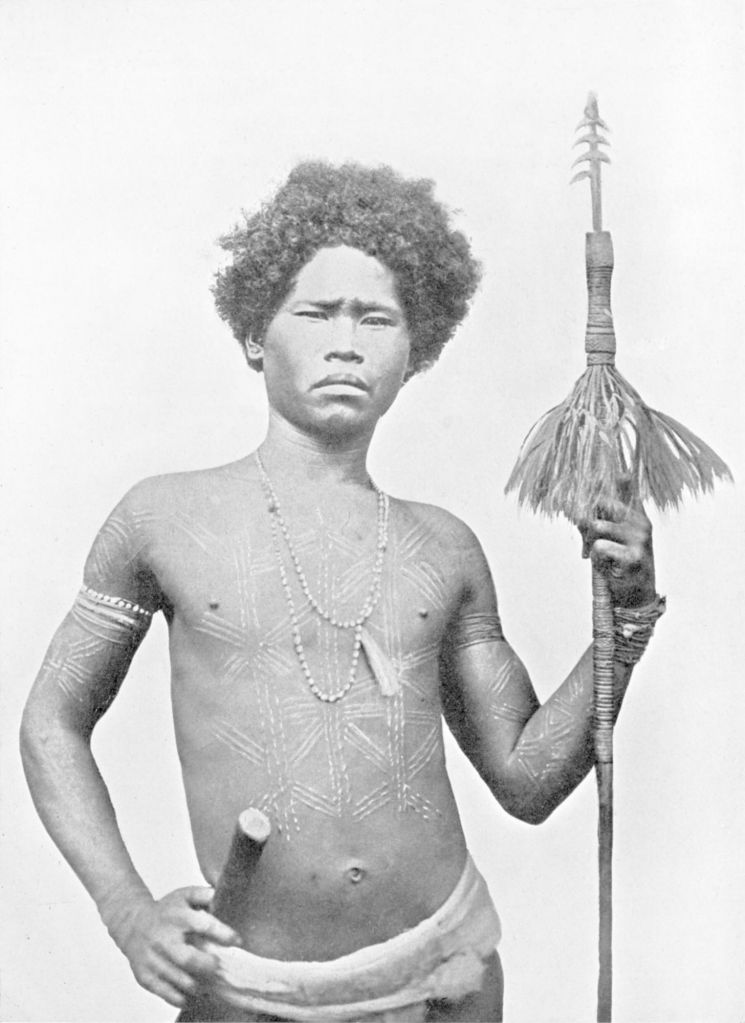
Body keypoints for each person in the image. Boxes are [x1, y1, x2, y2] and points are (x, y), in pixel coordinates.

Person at [20, 162, 663, 1022]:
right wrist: (126, 909)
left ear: (415, 351)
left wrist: (627, 613)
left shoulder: (443, 547)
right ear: (254, 334)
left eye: (376, 318)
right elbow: (51, 720)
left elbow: (527, 780)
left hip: (447, 976)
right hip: (252, 992)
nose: (346, 343)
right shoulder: (162, 518)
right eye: (315, 312)